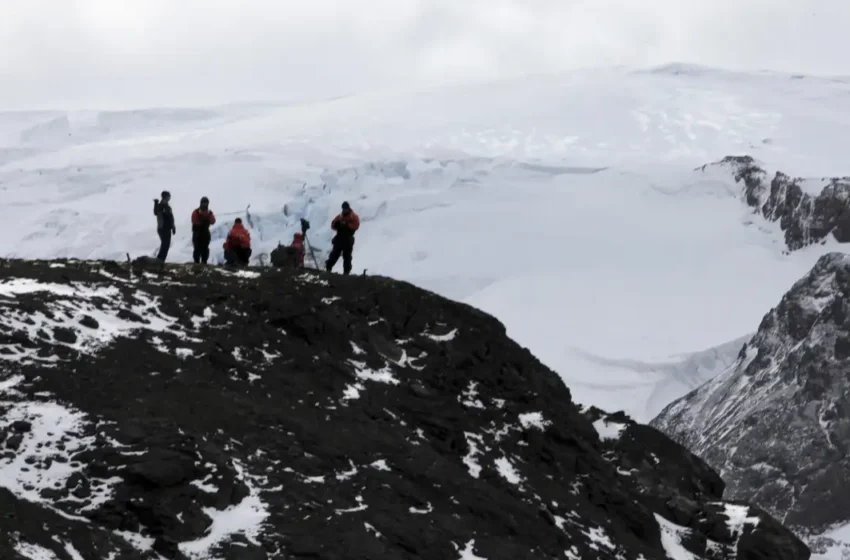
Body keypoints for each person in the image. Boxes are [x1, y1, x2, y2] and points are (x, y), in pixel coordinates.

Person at [325, 201, 360, 275]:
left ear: (348, 208)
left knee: (347, 256)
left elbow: (356, 225)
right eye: (343, 209)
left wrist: (347, 225)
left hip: (348, 238)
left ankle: (346, 272)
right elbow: (333, 224)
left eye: (345, 209)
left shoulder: (353, 216)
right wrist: (337, 225)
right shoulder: (340, 216)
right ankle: (328, 267)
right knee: (334, 254)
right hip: (339, 237)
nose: (344, 210)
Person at [191, 196, 217, 264]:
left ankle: (204, 262)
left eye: (206, 203)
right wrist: (205, 218)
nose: (205, 205)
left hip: (205, 233)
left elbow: (213, 221)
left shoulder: (209, 212)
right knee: (197, 249)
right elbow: (194, 221)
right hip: (197, 233)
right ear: (201, 203)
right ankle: (196, 262)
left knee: (205, 248)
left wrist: (207, 217)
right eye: (204, 203)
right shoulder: (196, 212)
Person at [153, 191, 176, 261]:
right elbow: (156, 212)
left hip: (167, 228)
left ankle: (161, 260)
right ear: (166, 197)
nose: (169, 198)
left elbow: (171, 218)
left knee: (166, 245)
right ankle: (160, 260)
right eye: (168, 196)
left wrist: (173, 227)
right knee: (165, 245)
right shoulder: (160, 205)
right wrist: (156, 203)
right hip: (162, 228)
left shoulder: (168, 207)